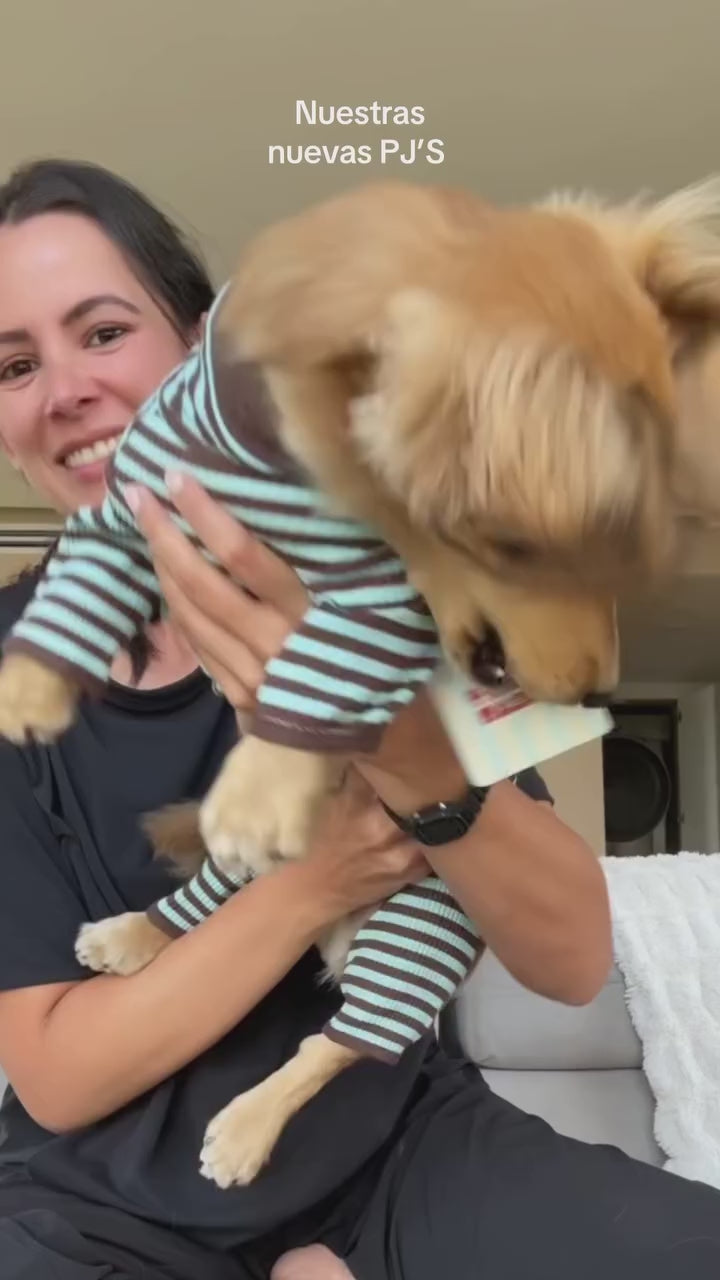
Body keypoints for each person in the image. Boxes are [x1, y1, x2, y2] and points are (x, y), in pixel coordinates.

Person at [0, 159, 716, 1280]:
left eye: (103, 332)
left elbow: (572, 954)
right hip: (103, 1206)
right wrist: (320, 880)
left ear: (199, 345)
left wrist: (400, 746)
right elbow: (58, 1074)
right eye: (14, 365)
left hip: (402, 1146)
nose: (65, 390)